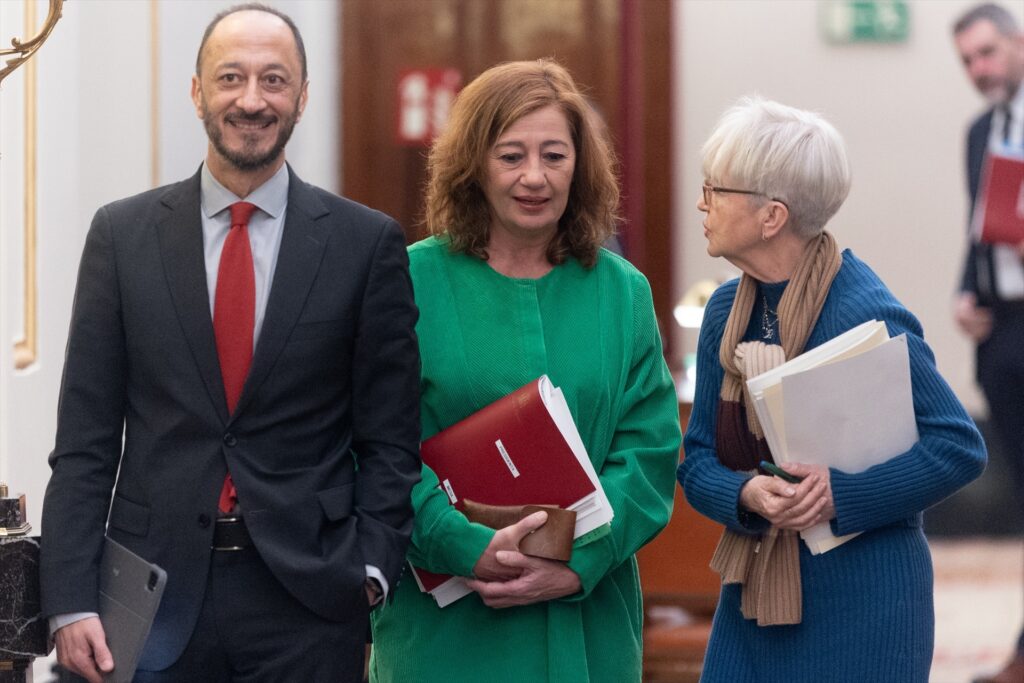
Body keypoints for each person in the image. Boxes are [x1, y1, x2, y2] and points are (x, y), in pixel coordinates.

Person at [39, 4, 421, 682]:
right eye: (231, 78)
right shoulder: (122, 238)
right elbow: (85, 441)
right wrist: (69, 598)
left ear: (302, 98)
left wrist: (369, 567)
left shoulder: (366, 246)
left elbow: (390, 438)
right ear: (197, 93)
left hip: (309, 602)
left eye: (274, 80)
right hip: (144, 602)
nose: (252, 100)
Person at [368, 59, 682, 683]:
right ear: (474, 166)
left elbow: (649, 453)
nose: (534, 177)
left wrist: (576, 563)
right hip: (446, 634)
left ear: (580, 166)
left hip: (586, 626)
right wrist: (466, 547)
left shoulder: (622, 291)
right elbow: (377, 446)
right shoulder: (407, 280)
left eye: (554, 156)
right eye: (510, 155)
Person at [676, 96, 986, 681]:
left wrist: (838, 495)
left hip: (867, 602)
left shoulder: (862, 313)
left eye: (716, 189)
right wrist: (747, 496)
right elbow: (697, 462)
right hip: (754, 598)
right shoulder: (725, 312)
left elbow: (959, 446)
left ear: (771, 216)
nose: (702, 202)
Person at [950, 6, 1024, 681]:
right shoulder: (979, 133)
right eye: (968, 61)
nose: (980, 70)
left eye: (988, 53)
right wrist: (965, 294)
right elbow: (979, 231)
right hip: (1002, 335)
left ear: (1019, 42)